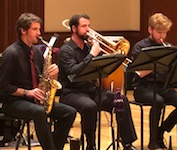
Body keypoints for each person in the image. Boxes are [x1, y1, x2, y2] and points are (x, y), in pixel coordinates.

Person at [0, 13, 76, 150]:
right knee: (39, 112)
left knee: (69, 112)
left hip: (34, 100)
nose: (39, 33)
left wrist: (53, 75)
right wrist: (28, 93)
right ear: (23, 30)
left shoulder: (37, 52)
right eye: (35, 29)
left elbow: (42, 80)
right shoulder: (11, 53)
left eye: (39, 29)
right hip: (13, 102)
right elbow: (2, 87)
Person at [58, 13, 137, 150]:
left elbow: (102, 66)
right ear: (74, 28)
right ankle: (91, 145)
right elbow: (73, 71)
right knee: (90, 107)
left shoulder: (89, 47)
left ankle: (127, 144)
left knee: (122, 100)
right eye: (84, 26)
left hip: (92, 90)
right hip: (72, 92)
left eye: (89, 26)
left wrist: (101, 53)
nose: (88, 30)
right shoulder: (66, 50)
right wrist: (92, 55)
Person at [130, 13, 177, 149]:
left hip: (162, 86)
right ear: (150, 30)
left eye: (165, 33)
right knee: (158, 101)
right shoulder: (140, 47)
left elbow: (172, 72)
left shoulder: (168, 47)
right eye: (159, 32)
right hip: (143, 88)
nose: (162, 36)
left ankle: (161, 131)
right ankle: (153, 141)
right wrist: (158, 62)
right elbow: (140, 73)